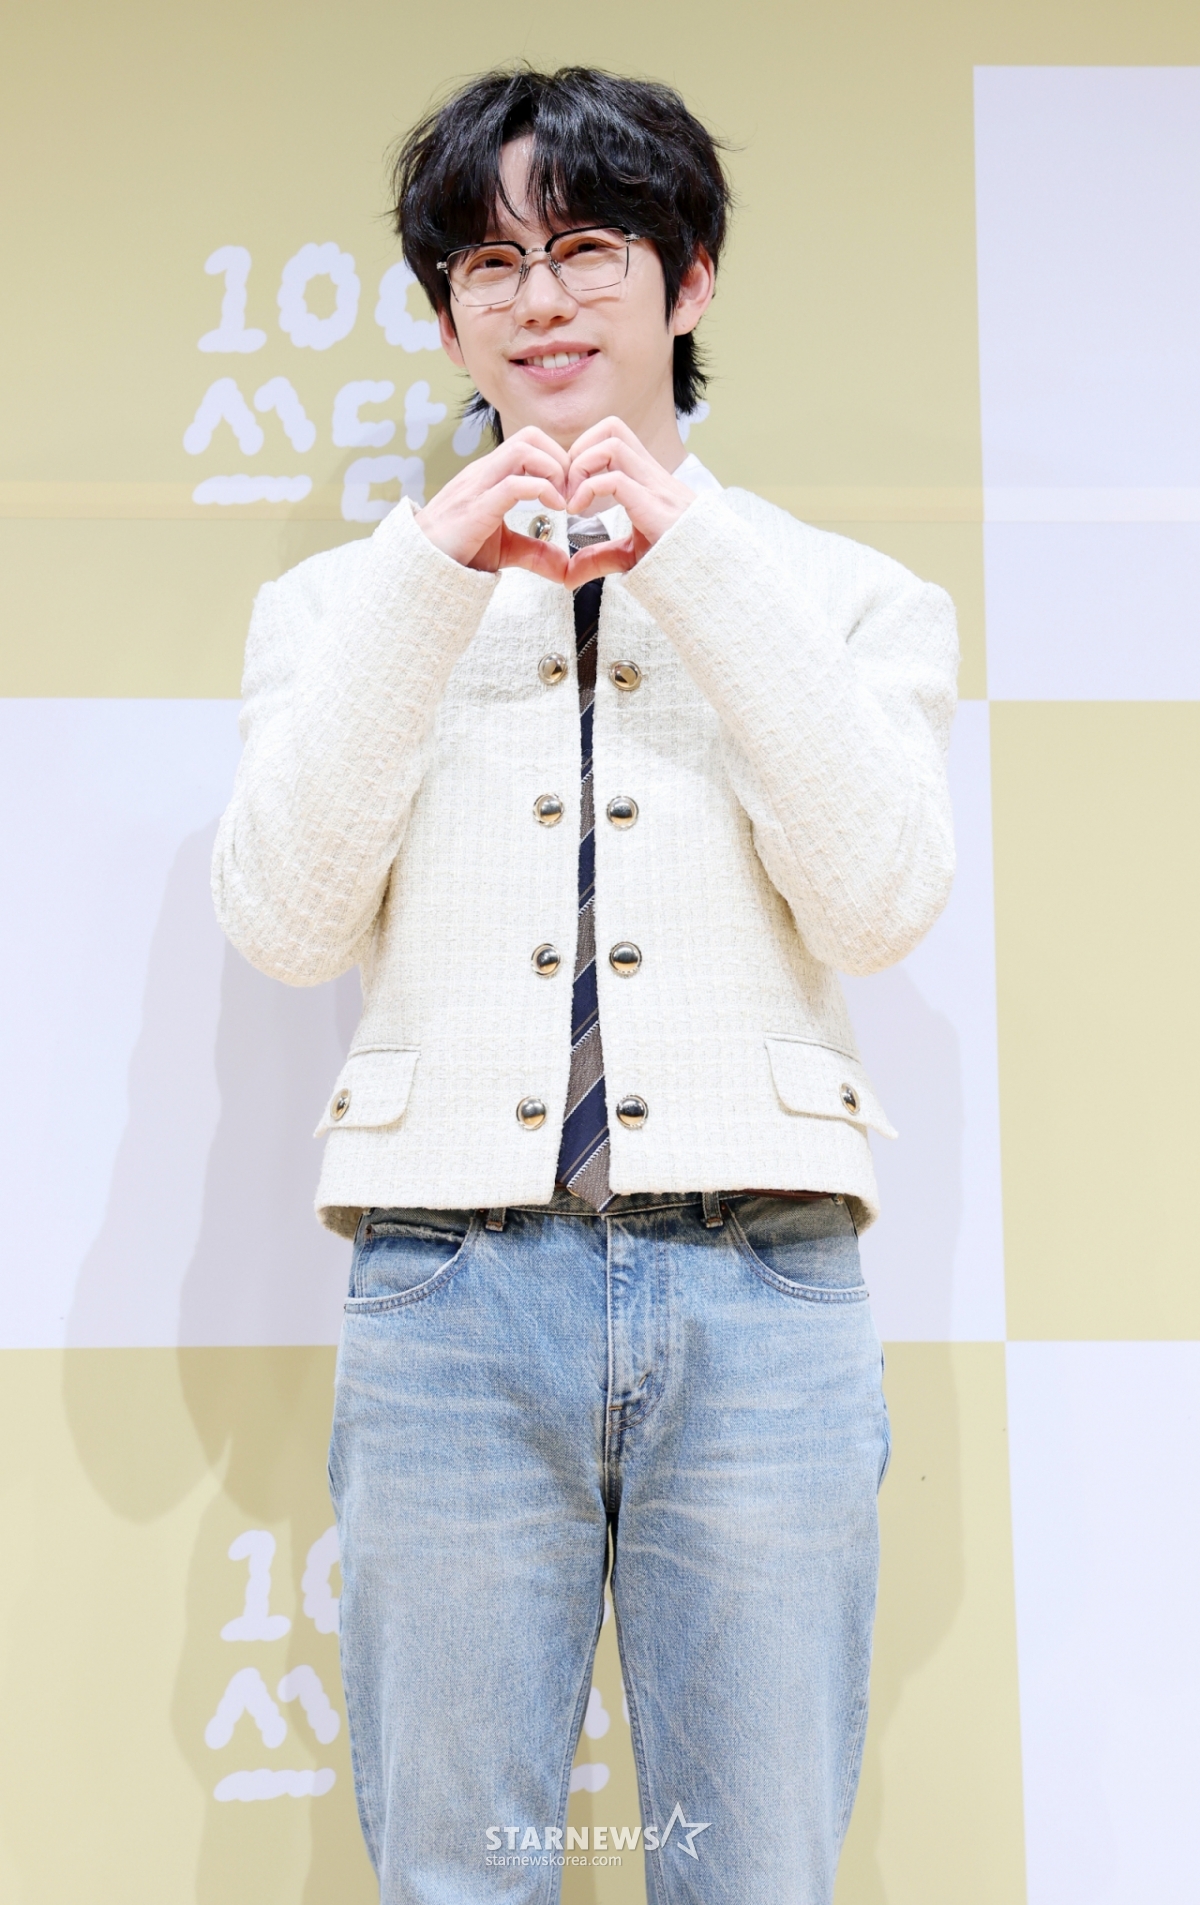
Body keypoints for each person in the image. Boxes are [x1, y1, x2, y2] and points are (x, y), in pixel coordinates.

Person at [212, 64, 957, 1905]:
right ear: (445, 314)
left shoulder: (849, 597)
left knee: (756, 1871)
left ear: (688, 279)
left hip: (765, 1283)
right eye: (490, 264)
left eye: (588, 251)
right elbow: (287, 920)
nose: (538, 300)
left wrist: (696, 561)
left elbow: (878, 901)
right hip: (449, 1287)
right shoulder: (340, 607)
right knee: (455, 1872)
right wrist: (429, 576)